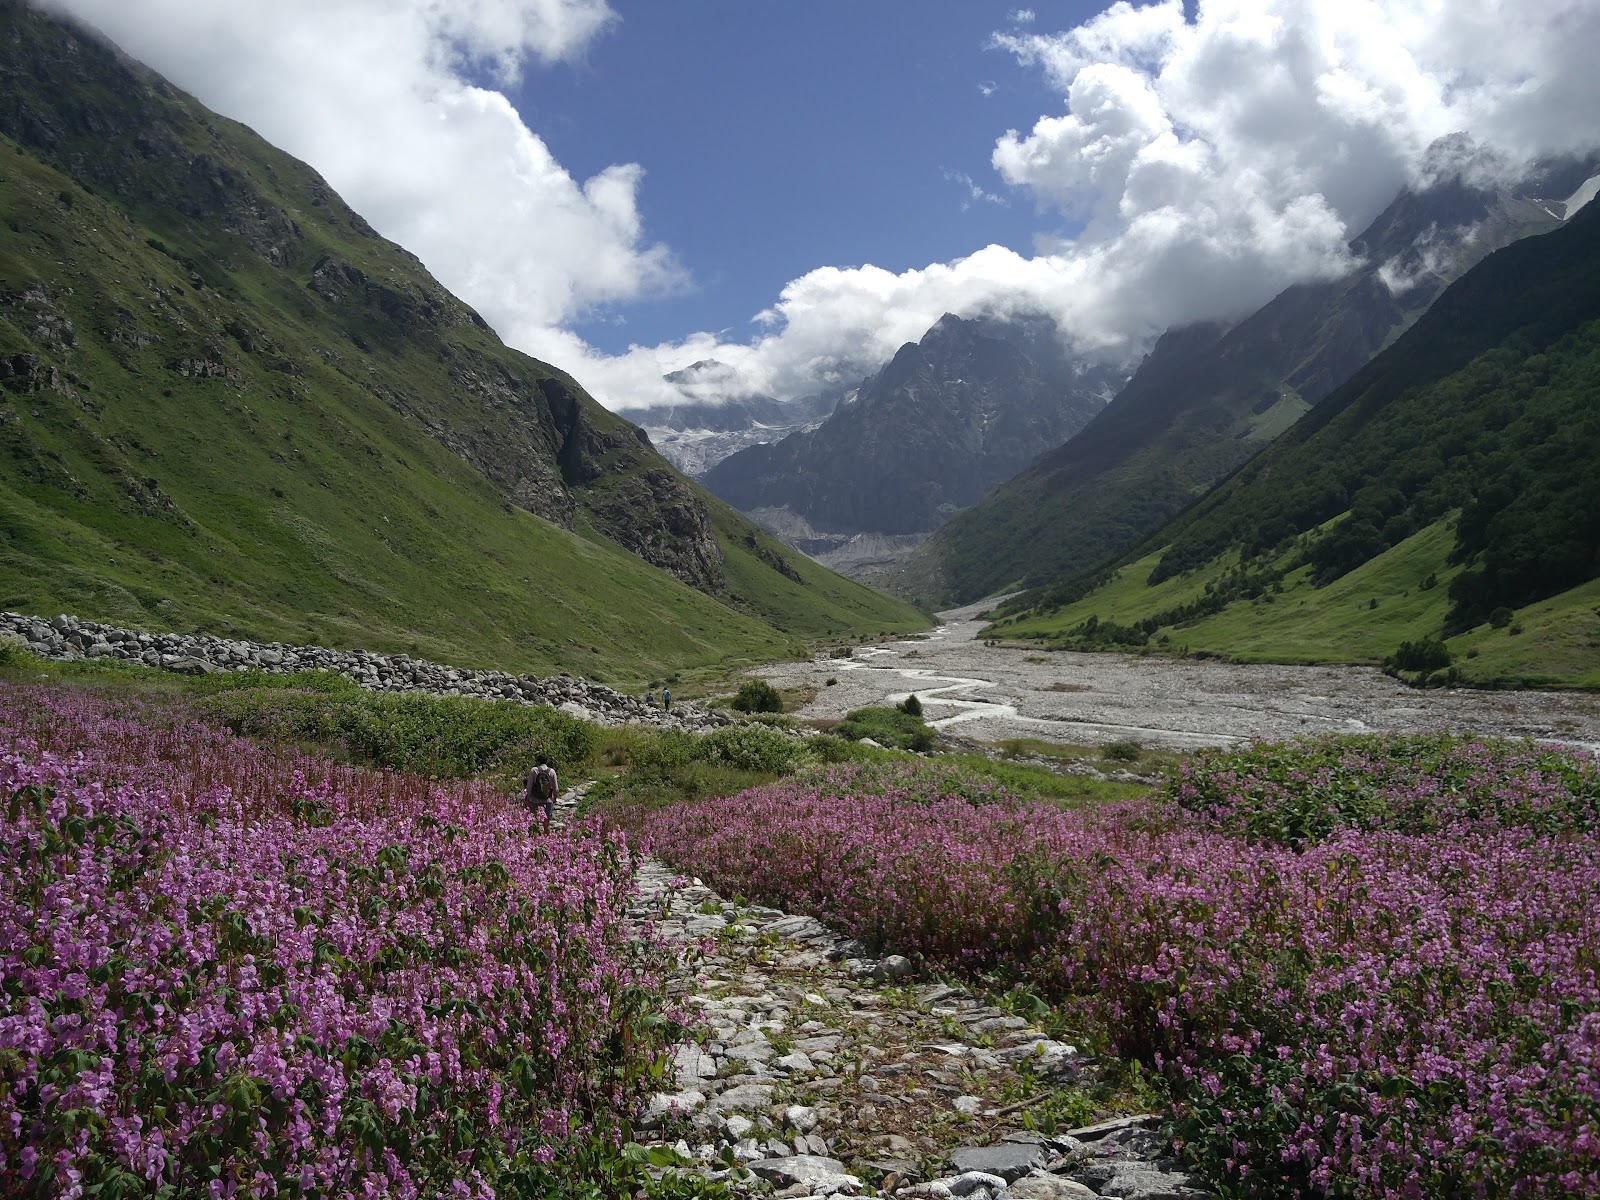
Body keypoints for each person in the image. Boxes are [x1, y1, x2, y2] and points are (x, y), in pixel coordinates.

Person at [525, 753, 558, 828]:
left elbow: (529, 786)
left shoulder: (534, 770)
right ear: (546, 762)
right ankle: (546, 834)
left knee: (533, 819)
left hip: (534, 799)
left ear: (538, 762)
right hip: (547, 799)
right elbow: (556, 788)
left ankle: (535, 832)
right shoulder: (552, 771)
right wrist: (554, 798)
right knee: (546, 821)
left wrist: (528, 797)